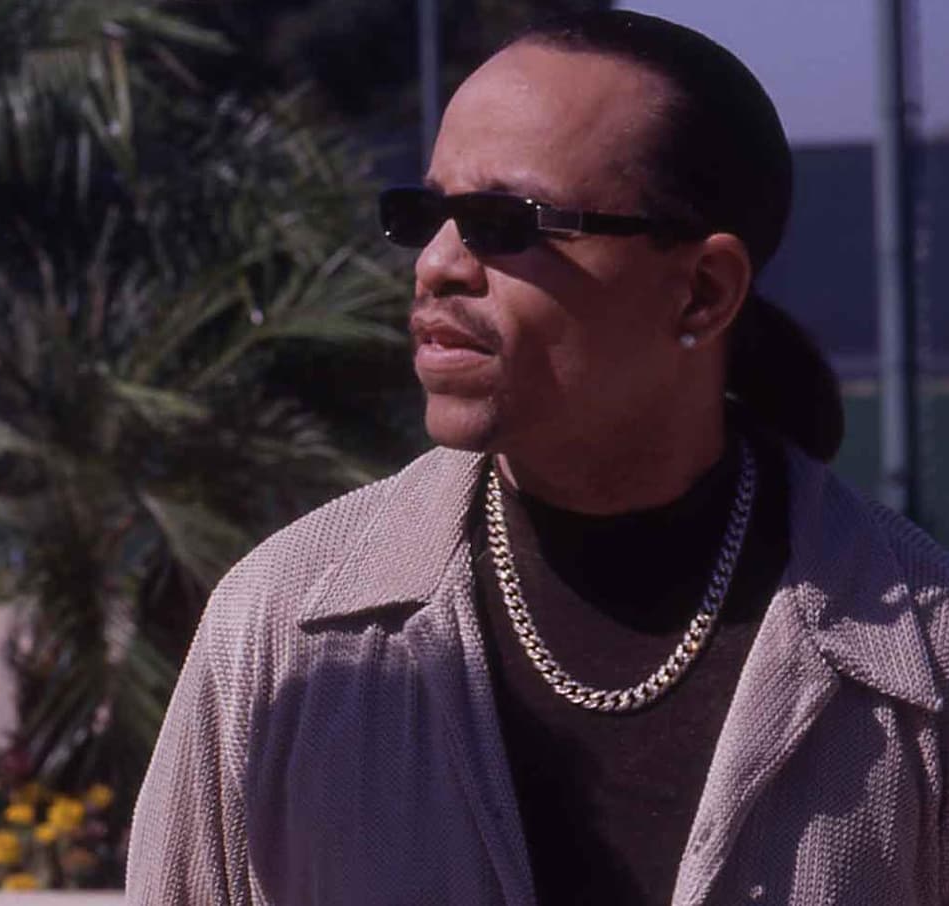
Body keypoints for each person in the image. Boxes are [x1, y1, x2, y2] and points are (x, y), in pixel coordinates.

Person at [128, 10, 949, 905]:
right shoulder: (280, 630)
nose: (436, 265)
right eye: (427, 214)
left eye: (501, 222)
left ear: (703, 292)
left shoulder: (923, 658)